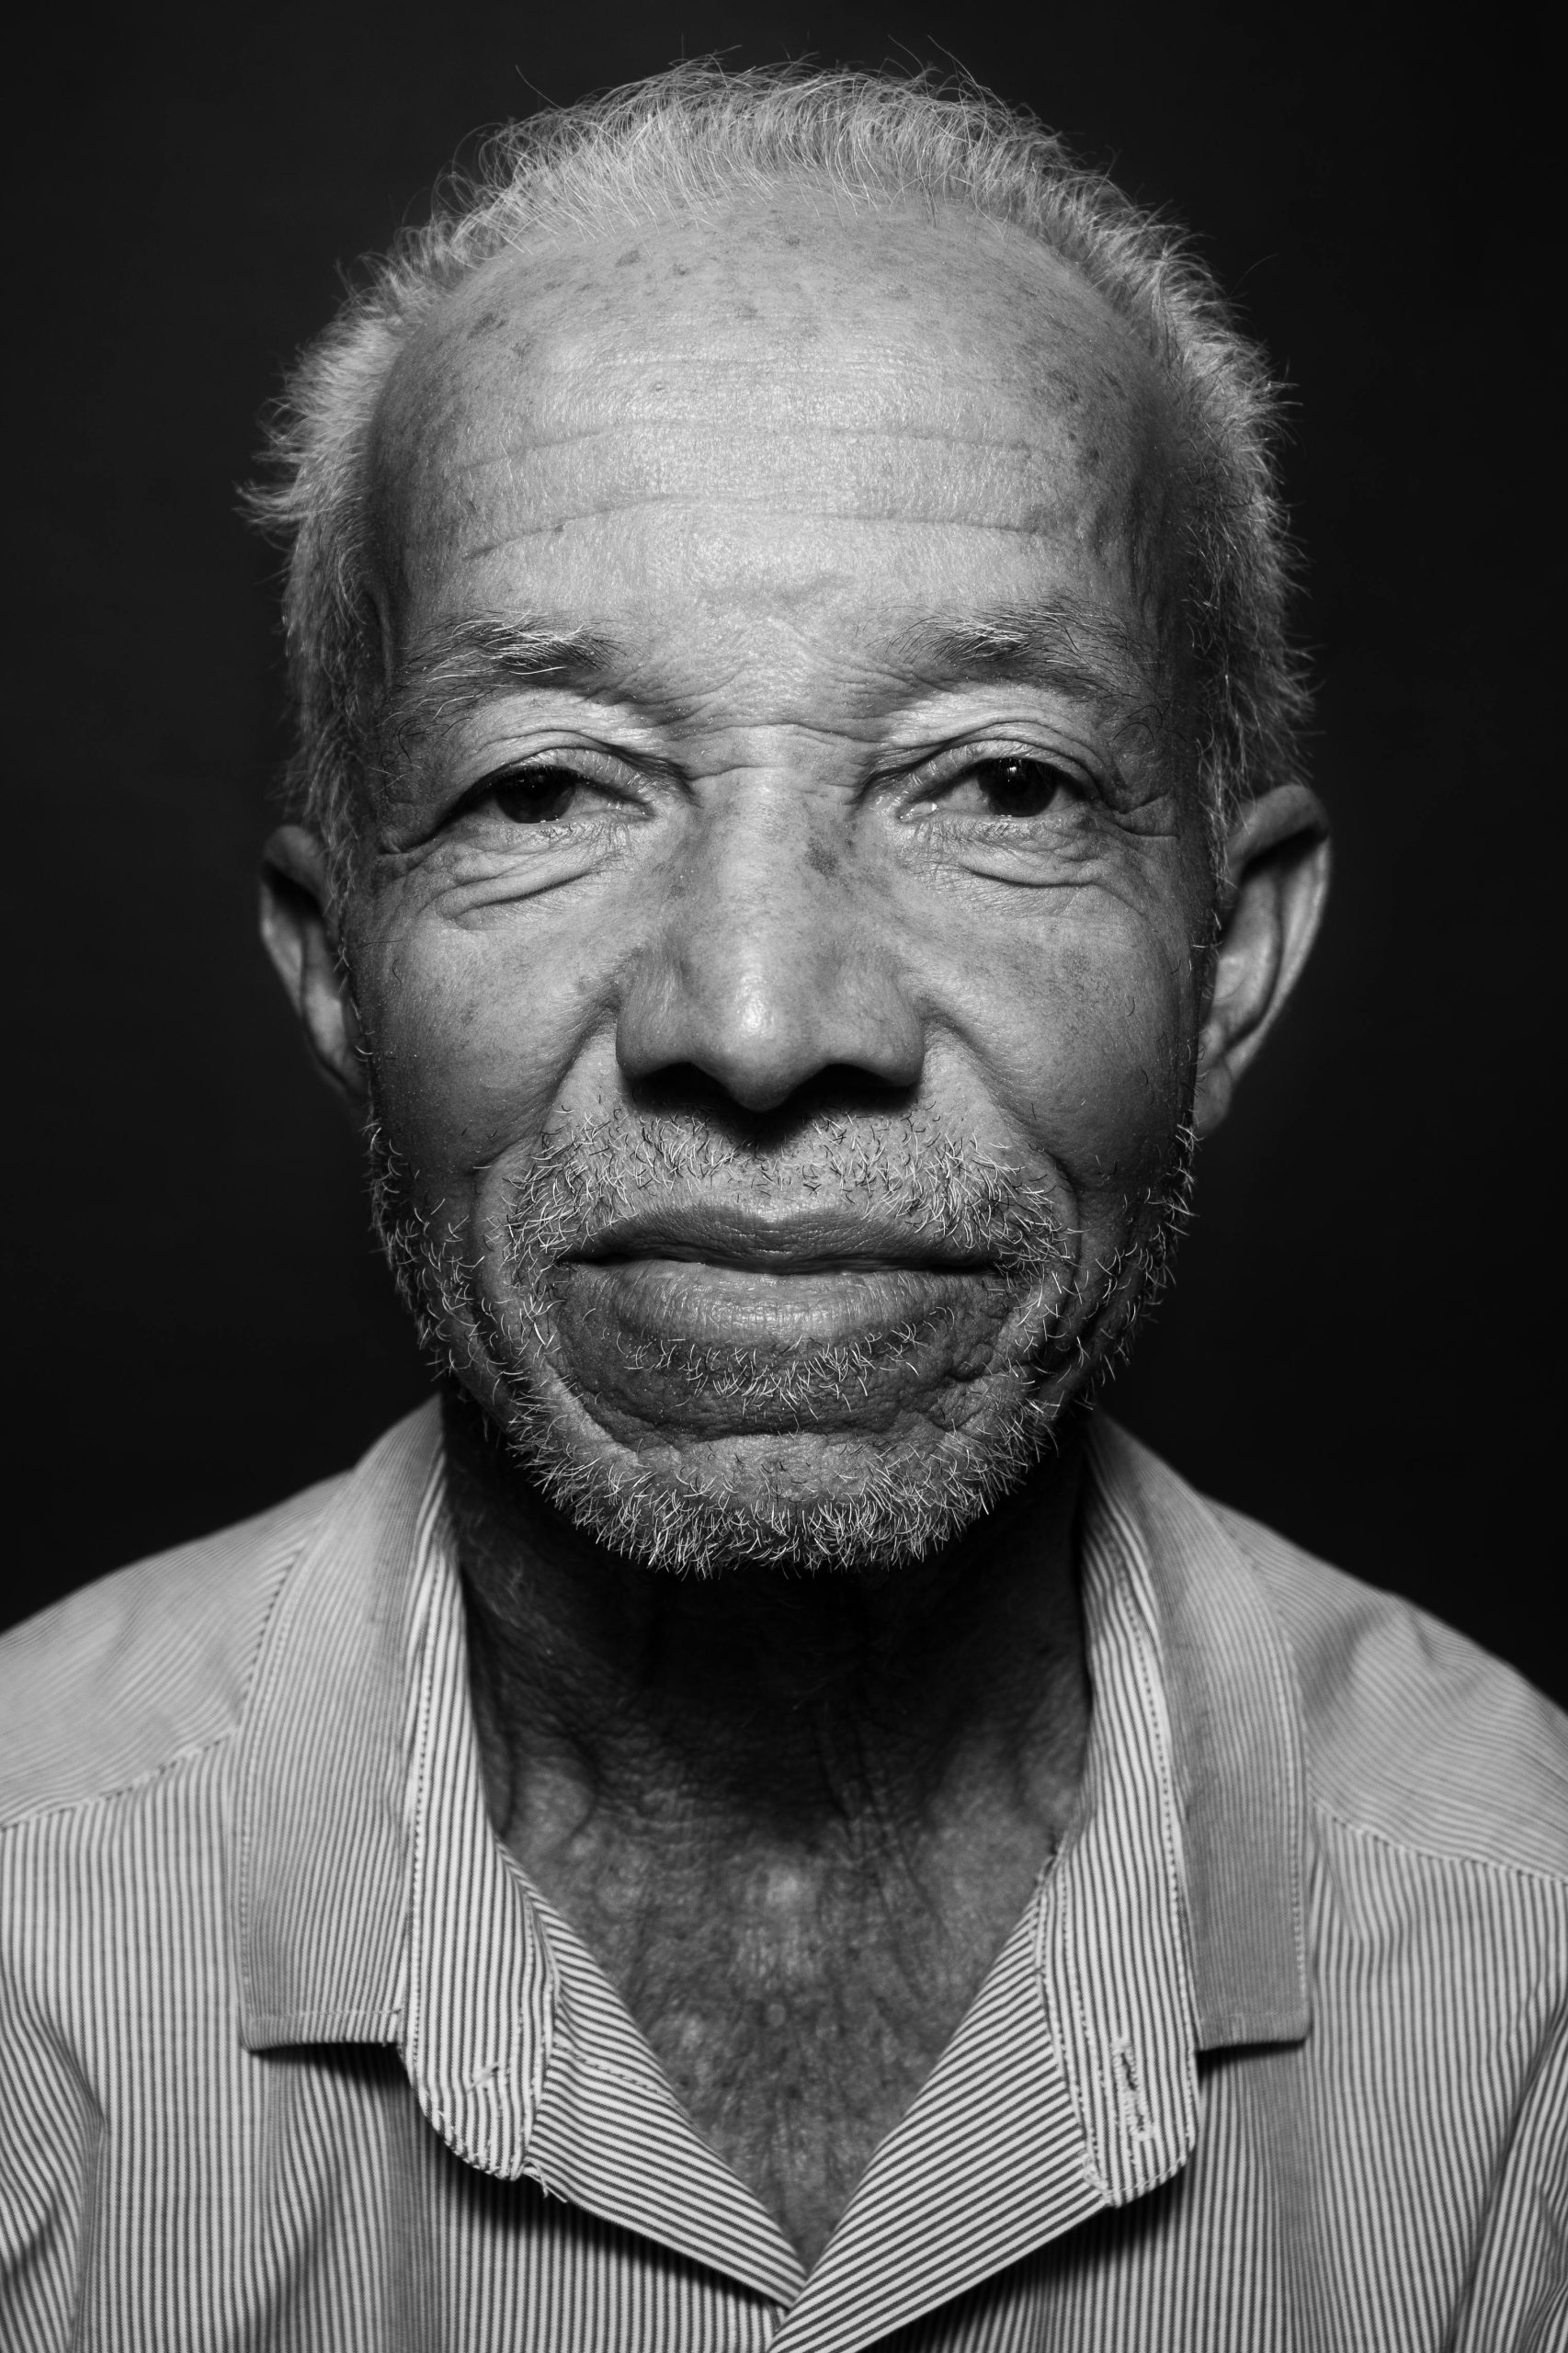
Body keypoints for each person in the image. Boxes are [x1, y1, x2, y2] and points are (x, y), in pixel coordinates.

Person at [2, 65, 1562, 2352]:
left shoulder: (1529, 1989)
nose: (752, 1020)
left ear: (1227, 954)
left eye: (994, 780)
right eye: (549, 787)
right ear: (340, 965)